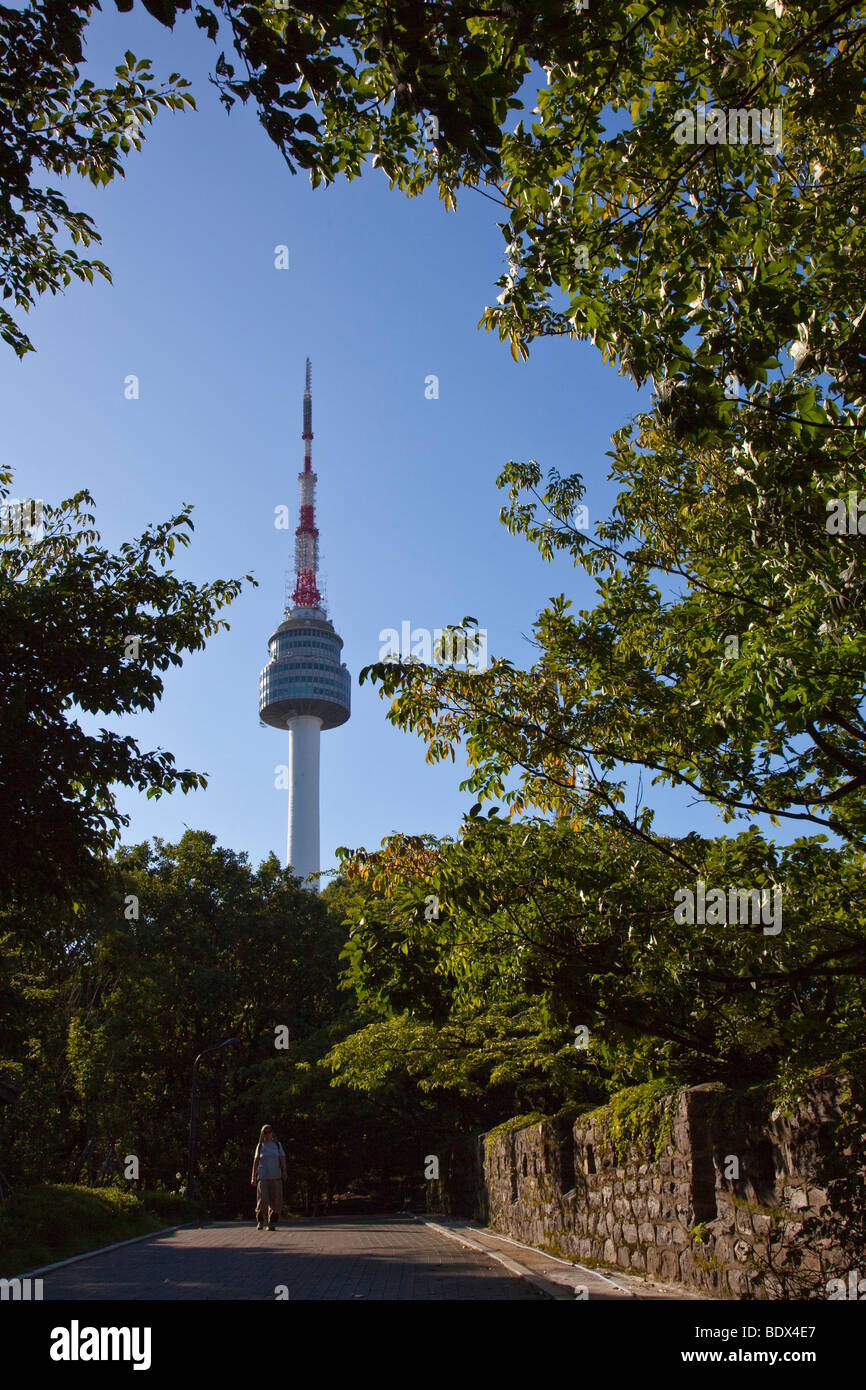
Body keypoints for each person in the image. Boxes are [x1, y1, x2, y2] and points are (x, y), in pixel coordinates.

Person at [251, 1124, 287, 1231]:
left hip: (276, 1176)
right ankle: (261, 1220)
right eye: (265, 1132)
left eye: (269, 1131)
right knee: (263, 1199)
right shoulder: (260, 1146)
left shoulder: (277, 1145)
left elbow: (282, 1159)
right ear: (262, 1134)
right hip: (263, 1176)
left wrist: (284, 1171)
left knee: (276, 1200)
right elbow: (256, 1161)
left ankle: (272, 1222)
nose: (267, 1134)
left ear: (272, 1132)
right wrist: (253, 1176)